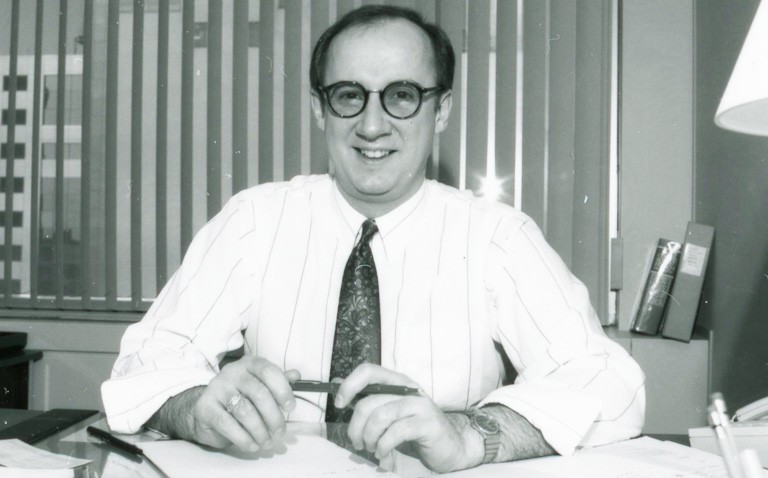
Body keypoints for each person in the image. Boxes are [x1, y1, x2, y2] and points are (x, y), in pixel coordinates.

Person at [102, 5, 644, 473]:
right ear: (320, 108)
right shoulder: (253, 221)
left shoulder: (498, 238)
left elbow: (610, 384)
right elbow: (143, 365)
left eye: (402, 95)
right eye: (348, 96)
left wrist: (469, 437)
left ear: (443, 109)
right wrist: (197, 406)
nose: (372, 125)